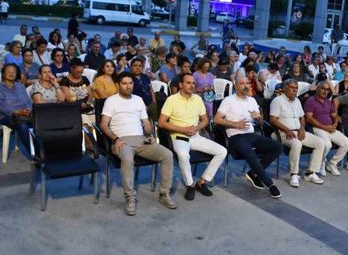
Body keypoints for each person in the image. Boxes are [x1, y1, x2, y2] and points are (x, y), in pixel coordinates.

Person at [100, 72, 176, 214]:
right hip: (122, 141)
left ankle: (164, 193)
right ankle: (130, 198)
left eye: (130, 83)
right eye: (124, 83)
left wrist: (150, 134)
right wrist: (116, 139)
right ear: (118, 85)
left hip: (141, 140)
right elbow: (104, 124)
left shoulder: (139, 100)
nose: (128, 86)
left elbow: (146, 123)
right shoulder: (111, 101)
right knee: (128, 159)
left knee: (167, 154)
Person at [159, 73, 227, 201]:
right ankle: (190, 185)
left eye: (193, 83)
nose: (191, 85)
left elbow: (205, 120)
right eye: (188, 83)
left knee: (222, 151)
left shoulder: (197, 99)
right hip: (179, 136)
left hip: (195, 136)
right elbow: (162, 122)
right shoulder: (171, 99)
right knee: (184, 155)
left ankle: (202, 182)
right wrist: (182, 129)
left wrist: (197, 128)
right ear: (180, 85)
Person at [213, 76, 283, 198]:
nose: (246, 86)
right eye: (242, 83)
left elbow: (260, 124)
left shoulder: (252, 100)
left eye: (247, 83)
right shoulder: (228, 100)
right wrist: (235, 124)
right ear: (236, 86)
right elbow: (216, 119)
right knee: (250, 153)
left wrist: (259, 118)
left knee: (277, 147)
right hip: (235, 136)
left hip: (251, 134)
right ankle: (270, 184)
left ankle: (253, 173)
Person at [269, 78, 325, 187]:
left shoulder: (297, 100)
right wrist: (287, 129)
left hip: (298, 132)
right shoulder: (277, 101)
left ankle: (310, 173)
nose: (295, 90)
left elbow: (302, 118)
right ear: (285, 88)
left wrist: (302, 129)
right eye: (292, 88)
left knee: (320, 143)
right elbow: (273, 120)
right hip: (282, 133)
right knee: (297, 143)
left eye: (296, 88)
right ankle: (294, 174)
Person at [304, 81, 348, 176]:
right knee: (327, 145)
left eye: (327, 89)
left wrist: (335, 123)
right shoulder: (310, 101)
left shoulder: (328, 102)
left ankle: (332, 164)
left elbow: (334, 115)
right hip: (317, 128)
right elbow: (309, 118)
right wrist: (324, 127)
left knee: (346, 143)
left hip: (330, 128)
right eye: (323, 89)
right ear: (317, 89)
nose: (325, 91)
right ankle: (321, 162)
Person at [0, 63, 33, 159]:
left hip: (25, 114)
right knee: (22, 126)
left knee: (43, 121)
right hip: (7, 116)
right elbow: (0, 107)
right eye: (9, 72)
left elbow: (27, 101)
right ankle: (36, 154)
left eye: (14, 72)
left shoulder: (20, 86)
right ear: (3, 74)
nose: (12, 74)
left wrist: (28, 109)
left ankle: (50, 151)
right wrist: (16, 112)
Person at [60, 58, 95, 128]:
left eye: (81, 72)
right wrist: (80, 104)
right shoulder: (65, 80)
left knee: (95, 122)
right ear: (71, 69)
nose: (79, 74)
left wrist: (88, 102)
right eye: (77, 72)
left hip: (87, 104)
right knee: (86, 123)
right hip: (73, 106)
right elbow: (68, 98)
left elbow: (90, 94)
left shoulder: (84, 79)